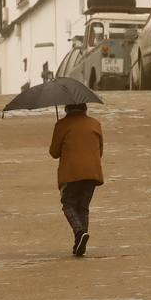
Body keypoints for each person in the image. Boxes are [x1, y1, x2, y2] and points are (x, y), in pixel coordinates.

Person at [49, 103, 104, 256]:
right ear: (85, 108)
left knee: (68, 205)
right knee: (83, 207)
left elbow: (54, 152)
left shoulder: (62, 124)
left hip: (71, 173)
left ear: (66, 109)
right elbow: (100, 151)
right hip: (92, 172)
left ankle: (80, 233)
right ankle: (80, 243)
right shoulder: (95, 123)